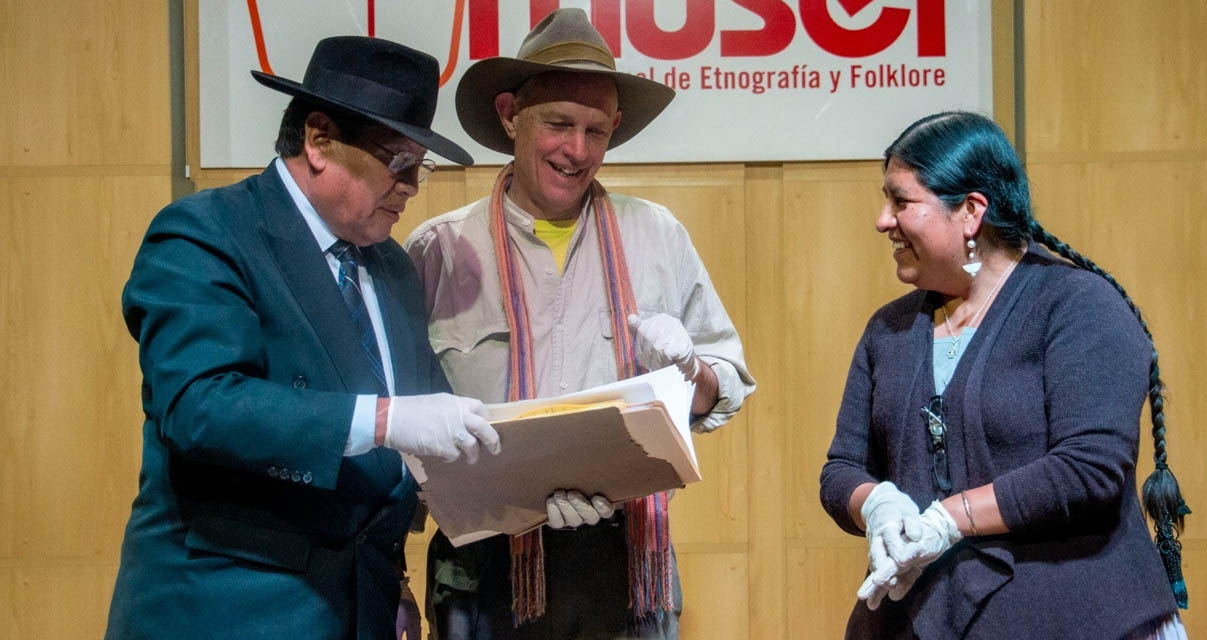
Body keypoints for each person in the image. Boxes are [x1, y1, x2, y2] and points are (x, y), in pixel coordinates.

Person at [104, 37, 501, 640]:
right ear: (318, 140)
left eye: (422, 165)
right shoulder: (206, 233)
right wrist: (387, 419)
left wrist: (534, 473)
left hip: (362, 608)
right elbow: (198, 406)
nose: (414, 186)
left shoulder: (391, 267)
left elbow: (427, 426)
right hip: (231, 612)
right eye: (400, 161)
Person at [403, 8, 754, 639]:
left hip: (625, 565)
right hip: (482, 569)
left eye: (596, 130)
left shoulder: (658, 235)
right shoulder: (438, 249)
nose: (578, 150)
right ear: (510, 114)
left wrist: (689, 367)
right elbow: (401, 413)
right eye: (559, 124)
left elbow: (722, 391)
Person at [818, 112, 1191, 639]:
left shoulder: (1079, 307)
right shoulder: (889, 330)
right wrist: (875, 504)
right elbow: (841, 470)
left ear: (970, 212)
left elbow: (1088, 470)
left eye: (902, 201)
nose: (883, 220)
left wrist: (949, 519)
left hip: (1082, 619)